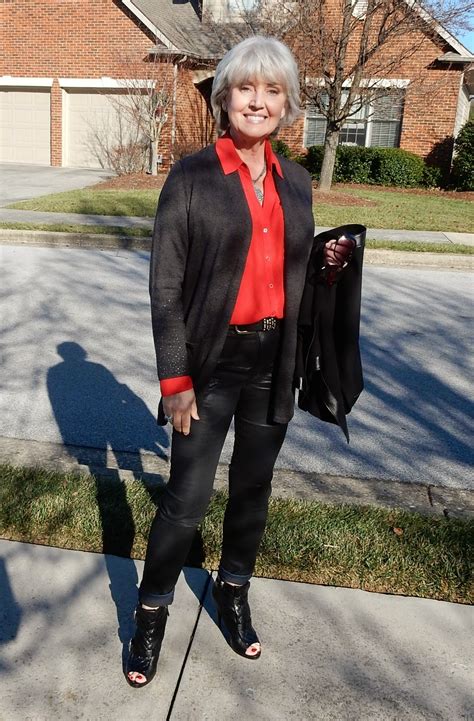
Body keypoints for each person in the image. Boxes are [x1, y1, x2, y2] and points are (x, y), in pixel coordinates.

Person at [126, 35, 316, 688]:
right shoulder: (192, 177)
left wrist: (324, 262)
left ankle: (233, 593)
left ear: (287, 105)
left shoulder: (297, 182)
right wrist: (174, 379)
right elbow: (165, 287)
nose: (257, 101)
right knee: (186, 498)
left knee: (253, 490)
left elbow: (291, 267)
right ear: (225, 98)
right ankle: (151, 614)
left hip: (274, 358)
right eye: (245, 88)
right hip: (209, 365)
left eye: (272, 90)